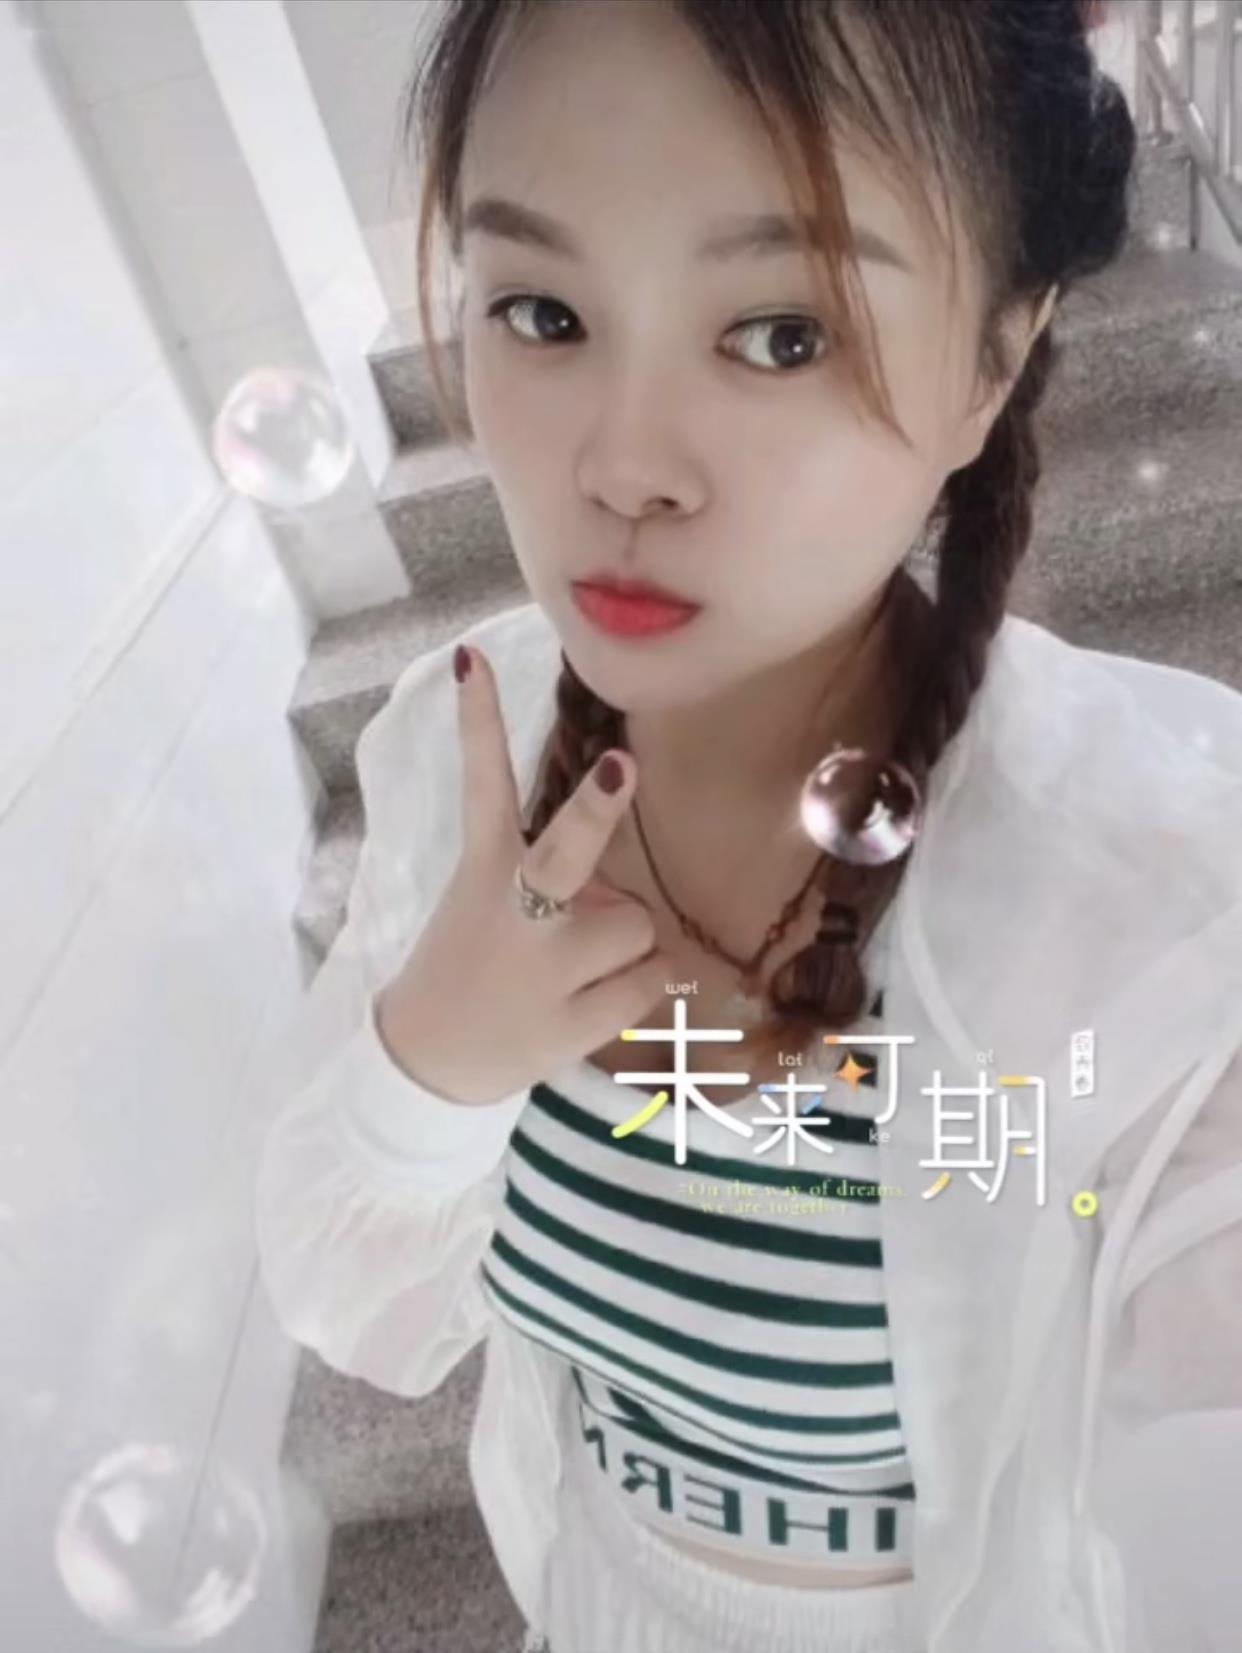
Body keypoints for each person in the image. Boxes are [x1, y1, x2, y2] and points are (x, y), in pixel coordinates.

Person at [254, 3, 1242, 1651]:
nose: (624, 465)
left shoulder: (1147, 886)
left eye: (781, 333)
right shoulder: (461, 745)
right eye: (542, 312)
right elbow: (350, 1299)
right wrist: (428, 1069)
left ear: (992, 361)